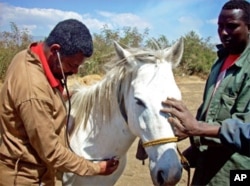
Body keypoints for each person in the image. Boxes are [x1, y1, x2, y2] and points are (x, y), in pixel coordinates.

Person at [0, 19, 119, 186]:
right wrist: (96, 168)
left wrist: (64, 96)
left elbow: (39, 102)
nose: (75, 71)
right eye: (72, 64)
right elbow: (51, 151)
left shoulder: (26, 56)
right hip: (27, 178)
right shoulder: (34, 90)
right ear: (55, 50)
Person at [161, 0, 250, 185]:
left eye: (232, 26)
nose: (223, 33)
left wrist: (197, 128)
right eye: (220, 26)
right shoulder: (220, 62)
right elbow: (210, 115)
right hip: (206, 171)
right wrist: (191, 149)